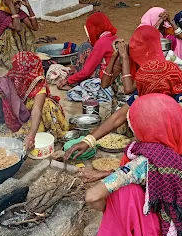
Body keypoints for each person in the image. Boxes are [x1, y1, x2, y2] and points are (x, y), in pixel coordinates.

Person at [64, 25, 182, 160]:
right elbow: (118, 113)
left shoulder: (161, 73)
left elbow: (128, 90)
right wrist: (88, 140)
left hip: (171, 142)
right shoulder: (148, 76)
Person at [85, 93, 182, 236]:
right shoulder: (175, 154)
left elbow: (92, 196)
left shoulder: (143, 163)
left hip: (153, 231)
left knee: (124, 192)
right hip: (174, 227)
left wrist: (112, 208)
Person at [57, 12, 118, 89]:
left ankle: (75, 82)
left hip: (105, 77)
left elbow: (87, 71)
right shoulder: (113, 37)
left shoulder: (101, 43)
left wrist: (68, 80)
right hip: (114, 74)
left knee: (84, 46)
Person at [0, 0, 38, 68]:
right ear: (7, 4)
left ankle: (27, 57)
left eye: (18, 3)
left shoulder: (18, 11)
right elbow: (17, 27)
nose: (18, 6)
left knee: (24, 27)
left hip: (14, 49)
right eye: (15, 4)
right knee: (9, 31)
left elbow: (35, 27)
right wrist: (11, 6)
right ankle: (14, 63)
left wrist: (28, 6)